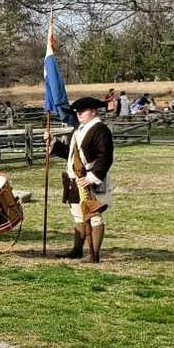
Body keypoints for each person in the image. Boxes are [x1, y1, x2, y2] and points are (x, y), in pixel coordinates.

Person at [51, 95, 114, 262]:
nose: (79, 114)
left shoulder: (100, 130)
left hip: (91, 179)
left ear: (93, 111)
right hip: (76, 179)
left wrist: (93, 176)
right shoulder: (79, 130)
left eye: (83, 111)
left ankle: (94, 254)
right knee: (78, 215)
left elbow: (105, 156)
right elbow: (73, 155)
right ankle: (77, 250)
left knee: (94, 215)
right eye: (77, 111)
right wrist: (54, 145)